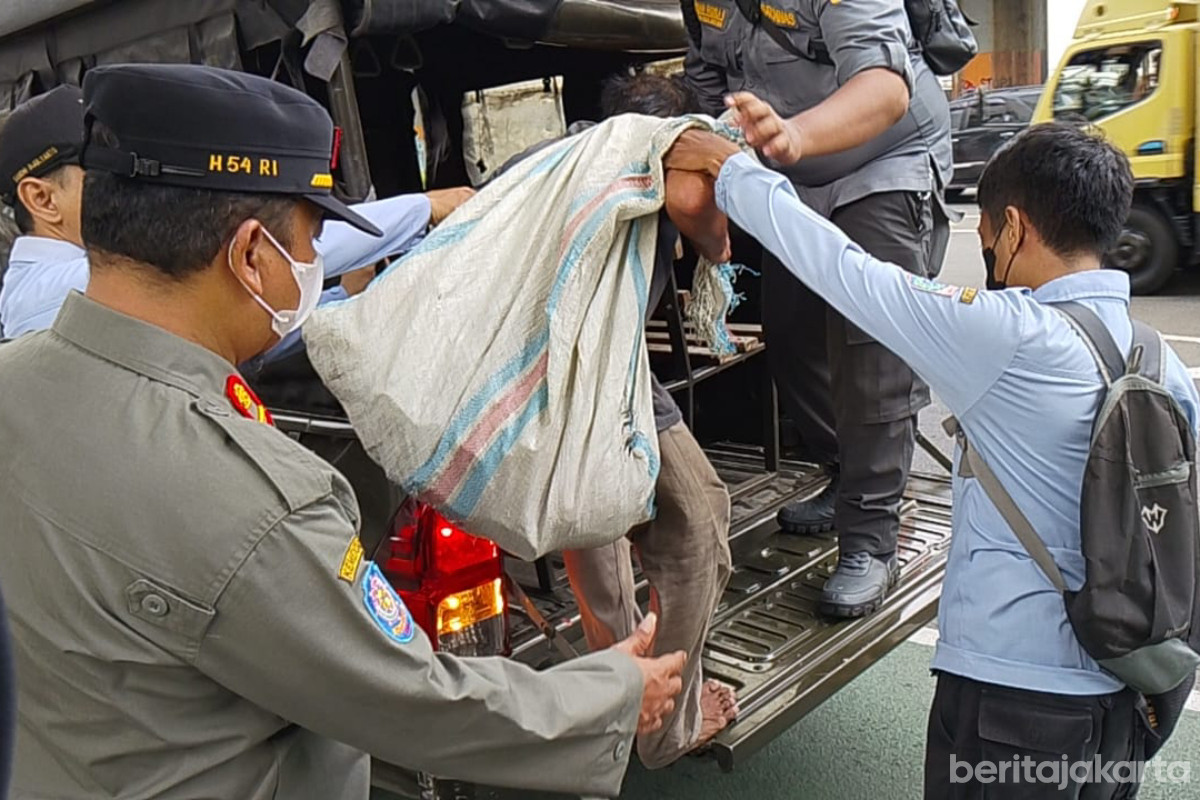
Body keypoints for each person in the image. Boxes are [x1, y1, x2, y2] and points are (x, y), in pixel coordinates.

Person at [0, 62, 686, 799]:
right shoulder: (252, 502)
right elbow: (411, 701)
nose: (312, 266)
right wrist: (615, 692)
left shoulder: (17, 384)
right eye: (312, 242)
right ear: (252, 256)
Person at [664, 110, 1199, 798]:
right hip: (1123, 696)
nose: (989, 258)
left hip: (1013, 706)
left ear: (1014, 228)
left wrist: (732, 168)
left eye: (988, 241)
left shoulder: (1012, 336)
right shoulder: (1159, 361)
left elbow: (848, 273)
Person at [682, 0, 954, 616]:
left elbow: (885, 88)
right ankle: (845, 475)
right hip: (794, 177)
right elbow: (705, 89)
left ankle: (871, 540)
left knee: (870, 355)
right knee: (792, 334)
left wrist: (796, 135)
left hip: (885, 160)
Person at [510, 72, 738, 768]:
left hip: (550, 376)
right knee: (699, 527)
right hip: (597, 376)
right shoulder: (661, 168)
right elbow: (717, 241)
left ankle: (622, 697)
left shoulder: (556, 158)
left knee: (596, 531)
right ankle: (664, 721)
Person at [0, 84, 474, 342]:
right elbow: (247, 255)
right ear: (42, 200)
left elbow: (232, 322)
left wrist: (343, 300)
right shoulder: (48, 294)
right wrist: (427, 208)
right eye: (104, 175)